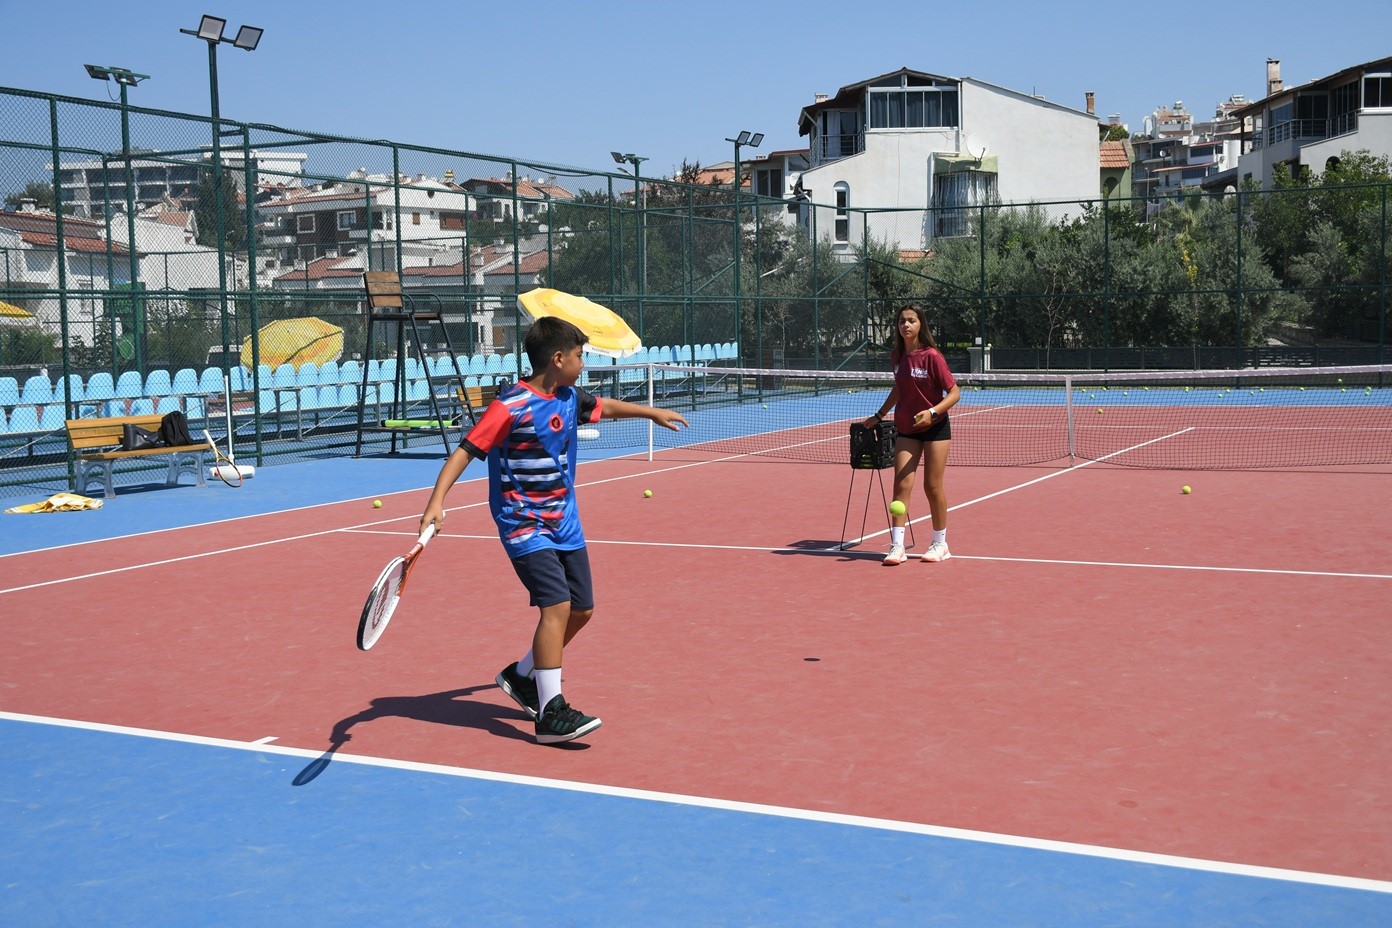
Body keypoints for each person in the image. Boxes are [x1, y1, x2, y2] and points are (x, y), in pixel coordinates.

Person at [419, 317, 688, 743]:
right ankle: (550, 712)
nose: (583, 363)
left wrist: (650, 412)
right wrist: (436, 503)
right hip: (523, 523)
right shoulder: (509, 406)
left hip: (566, 521)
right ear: (558, 358)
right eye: (580, 356)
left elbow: (605, 406)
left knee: (582, 609)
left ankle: (523, 674)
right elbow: (465, 453)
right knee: (556, 607)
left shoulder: (568, 397)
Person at [862, 304, 960, 566]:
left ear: (920, 325)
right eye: (902, 321)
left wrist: (933, 412)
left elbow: (954, 394)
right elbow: (899, 388)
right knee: (901, 485)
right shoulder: (896, 357)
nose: (906, 325)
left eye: (912, 320)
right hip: (906, 428)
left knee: (932, 486)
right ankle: (897, 546)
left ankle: (940, 543)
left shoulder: (932, 356)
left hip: (935, 428)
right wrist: (880, 415)